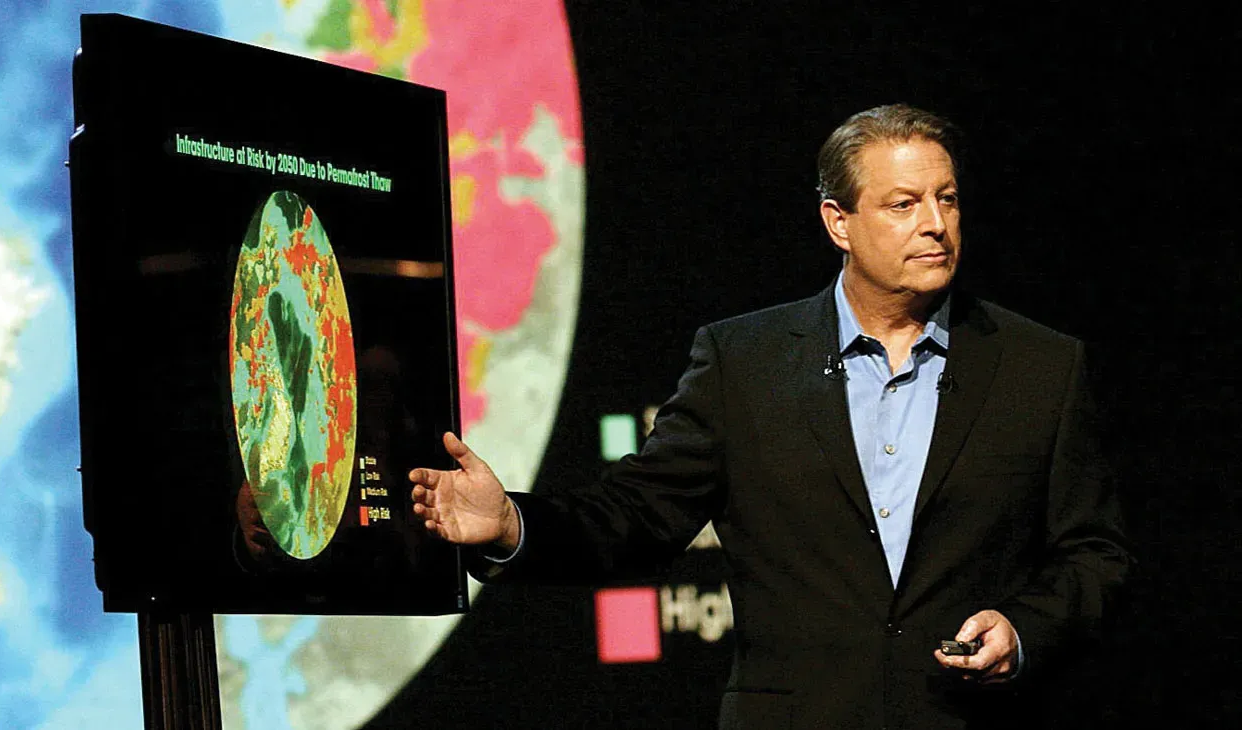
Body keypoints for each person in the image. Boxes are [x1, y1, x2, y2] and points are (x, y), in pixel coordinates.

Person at [409, 104, 1131, 729]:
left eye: (947, 200)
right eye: (904, 204)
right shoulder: (742, 361)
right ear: (838, 222)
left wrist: (1022, 628)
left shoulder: (1040, 366)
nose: (936, 225)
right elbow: (637, 515)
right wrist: (512, 526)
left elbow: (1094, 555)